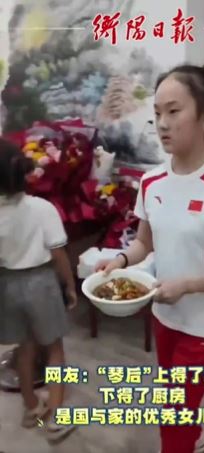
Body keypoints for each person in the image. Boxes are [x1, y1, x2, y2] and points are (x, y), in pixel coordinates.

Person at [95, 62, 204, 453]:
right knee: (175, 395)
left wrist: (188, 284)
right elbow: (144, 245)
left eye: (174, 111)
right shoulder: (152, 180)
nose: (163, 123)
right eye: (157, 113)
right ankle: (196, 431)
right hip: (163, 314)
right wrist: (118, 261)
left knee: (173, 414)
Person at [0, 138, 77, 442]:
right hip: (41, 284)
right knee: (54, 348)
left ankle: (31, 406)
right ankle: (56, 419)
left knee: (24, 347)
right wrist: (70, 286)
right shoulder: (42, 209)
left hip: (7, 285)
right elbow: (59, 254)